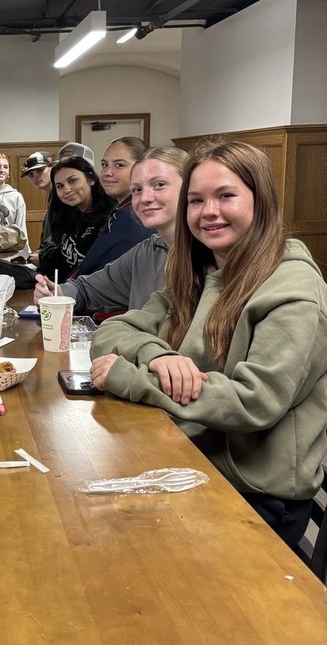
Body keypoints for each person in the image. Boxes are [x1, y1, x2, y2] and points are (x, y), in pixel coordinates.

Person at [89, 141, 327, 548]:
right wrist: (158, 354)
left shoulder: (294, 290)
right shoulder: (201, 269)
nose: (209, 211)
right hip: (191, 455)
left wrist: (131, 377)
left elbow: (256, 401)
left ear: (261, 200)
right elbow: (113, 332)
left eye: (226, 196)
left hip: (255, 494)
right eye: (196, 200)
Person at [34, 147, 187, 314]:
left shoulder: (213, 256)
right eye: (137, 189)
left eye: (159, 185)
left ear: (189, 187)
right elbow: (87, 289)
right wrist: (57, 292)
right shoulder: (145, 252)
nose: (145, 198)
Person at [67, 136, 154, 278]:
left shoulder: (138, 217)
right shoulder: (120, 211)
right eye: (104, 165)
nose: (108, 172)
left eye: (119, 165)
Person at [35, 156, 115, 282]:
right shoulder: (67, 215)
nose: (67, 190)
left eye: (72, 181)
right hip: (56, 290)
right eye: (60, 186)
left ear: (91, 179)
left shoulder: (110, 217)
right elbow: (48, 246)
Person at [21, 151, 55, 263]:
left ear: (53, 168)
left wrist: (43, 256)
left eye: (40, 170)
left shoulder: (62, 197)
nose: (35, 176)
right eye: (31, 175)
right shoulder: (52, 196)